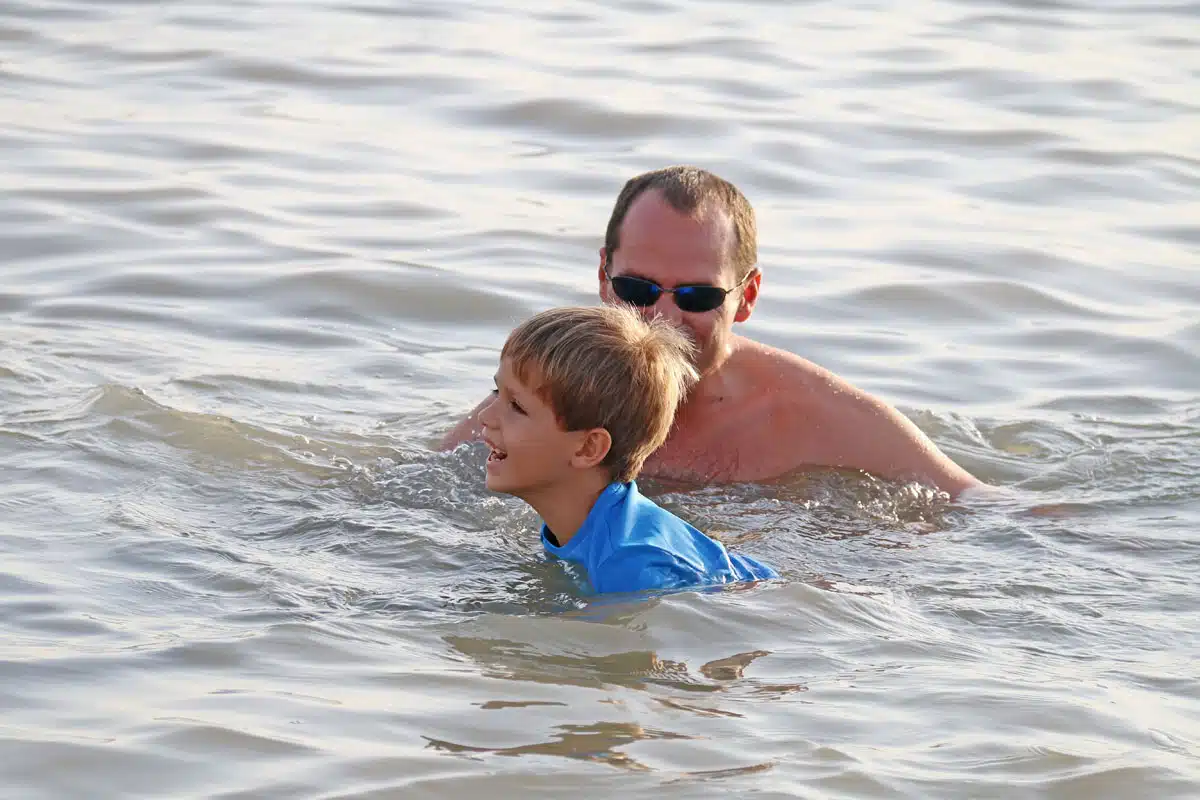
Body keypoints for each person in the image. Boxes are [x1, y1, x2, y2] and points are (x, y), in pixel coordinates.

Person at [442, 165, 984, 498]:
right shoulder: (552, 392)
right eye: (638, 289)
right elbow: (427, 484)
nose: (664, 318)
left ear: (745, 297)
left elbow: (980, 507)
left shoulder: (823, 417)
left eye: (697, 297)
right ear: (605, 278)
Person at [479, 304, 778, 595]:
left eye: (516, 406)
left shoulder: (630, 564)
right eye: (496, 391)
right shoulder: (586, 521)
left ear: (588, 448)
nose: (485, 417)